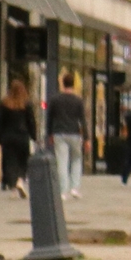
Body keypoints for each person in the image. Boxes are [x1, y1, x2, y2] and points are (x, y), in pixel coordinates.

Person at [46, 71, 87, 199]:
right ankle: (74, 188)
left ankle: (63, 191)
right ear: (73, 84)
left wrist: (49, 134)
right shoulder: (78, 100)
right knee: (76, 160)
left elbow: (50, 118)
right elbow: (82, 120)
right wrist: (87, 138)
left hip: (59, 133)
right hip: (74, 133)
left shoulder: (55, 100)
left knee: (62, 162)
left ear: (62, 84)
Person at [0, 76, 34, 196]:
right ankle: (20, 180)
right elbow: (31, 121)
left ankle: (12, 183)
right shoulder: (26, 104)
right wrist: (33, 136)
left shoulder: (4, 103)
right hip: (22, 136)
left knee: (9, 161)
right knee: (23, 160)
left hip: (8, 137)